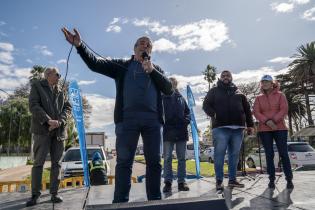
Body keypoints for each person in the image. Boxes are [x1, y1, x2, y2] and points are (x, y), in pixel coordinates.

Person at [62, 28, 173, 203]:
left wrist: (152, 70)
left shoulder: (156, 69)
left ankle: (154, 200)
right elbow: (95, 64)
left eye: (148, 44)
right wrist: (80, 46)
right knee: (124, 163)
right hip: (127, 121)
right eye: (142, 42)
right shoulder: (122, 66)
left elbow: (168, 89)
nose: (145, 45)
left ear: (150, 51)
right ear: (135, 48)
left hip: (152, 121)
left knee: (154, 162)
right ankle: (120, 202)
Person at [26, 67, 72, 207]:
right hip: (42, 131)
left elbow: (68, 108)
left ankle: (54, 193)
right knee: (38, 163)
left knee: (56, 164)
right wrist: (48, 120)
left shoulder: (61, 91)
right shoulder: (37, 86)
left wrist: (60, 121)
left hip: (58, 132)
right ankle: (35, 195)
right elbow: (33, 105)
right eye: (57, 74)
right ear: (48, 75)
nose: (59, 77)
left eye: (59, 75)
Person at [202, 70, 254, 191]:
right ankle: (219, 181)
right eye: (223, 76)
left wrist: (250, 125)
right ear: (220, 78)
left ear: (231, 78)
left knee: (234, 156)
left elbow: (247, 110)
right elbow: (206, 105)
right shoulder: (214, 91)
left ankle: (232, 180)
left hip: (238, 129)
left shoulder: (239, 92)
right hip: (220, 128)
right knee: (219, 155)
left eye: (228, 75)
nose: (225, 77)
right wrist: (214, 114)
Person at [253, 75, 293, 189]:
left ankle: (289, 179)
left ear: (272, 84)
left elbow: (284, 109)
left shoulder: (281, 95)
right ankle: (271, 180)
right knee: (269, 154)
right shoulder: (258, 98)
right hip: (264, 130)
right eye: (263, 82)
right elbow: (256, 112)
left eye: (267, 82)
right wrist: (267, 122)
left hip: (280, 128)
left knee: (283, 154)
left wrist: (274, 121)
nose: (264, 84)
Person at [162, 77, 190, 193]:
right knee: (167, 158)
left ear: (176, 85)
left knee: (182, 158)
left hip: (181, 132)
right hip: (168, 132)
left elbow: (188, 113)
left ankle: (181, 182)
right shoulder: (162, 98)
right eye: (170, 83)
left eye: (174, 83)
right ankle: (168, 182)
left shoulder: (181, 98)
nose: (172, 85)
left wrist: (185, 121)